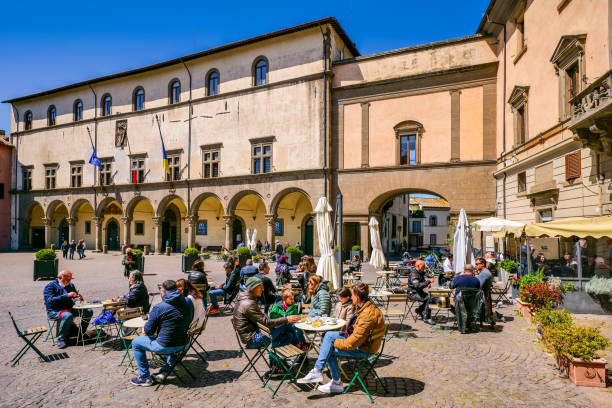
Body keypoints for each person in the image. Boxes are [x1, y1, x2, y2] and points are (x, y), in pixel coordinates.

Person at [297, 282, 385, 394]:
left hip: (364, 349)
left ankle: (335, 382)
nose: (351, 298)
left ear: (357, 297)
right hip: (362, 341)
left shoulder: (367, 315)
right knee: (328, 335)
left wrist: (333, 344)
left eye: (352, 295)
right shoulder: (366, 306)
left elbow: (351, 344)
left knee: (329, 350)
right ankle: (318, 371)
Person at [130, 280, 193, 386]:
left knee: (136, 342)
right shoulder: (188, 301)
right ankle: (165, 370)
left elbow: (148, 331)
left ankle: (145, 377)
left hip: (165, 345)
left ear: (163, 292)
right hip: (184, 343)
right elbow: (189, 319)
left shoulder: (159, 307)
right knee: (173, 337)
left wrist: (153, 319)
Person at [233, 277, 300, 351]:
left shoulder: (246, 299)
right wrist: (287, 319)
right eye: (260, 287)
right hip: (253, 340)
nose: (263, 289)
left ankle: (276, 361)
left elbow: (263, 319)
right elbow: (266, 323)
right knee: (287, 322)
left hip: (251, 336)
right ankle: (299, 344)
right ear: (253, 288)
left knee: (288, 335)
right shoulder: (248, 304)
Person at [43, 270, 93, 349]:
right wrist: (66, 295)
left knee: (88, 311)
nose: (69, 281)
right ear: (60, 277)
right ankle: (61, 339)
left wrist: (78, 297)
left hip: (69, 308)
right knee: (67, 315)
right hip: (55, 310)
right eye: (67, 279)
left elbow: (74, 297)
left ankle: (81, 333)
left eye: (70, 279)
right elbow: (50, 300)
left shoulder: (70, 285)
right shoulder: (50, 286)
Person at [408, 260, 435, 325]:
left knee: (433, 299)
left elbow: (422, 282)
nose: (425, 267)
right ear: (418, 266)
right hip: (413, 293)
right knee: (429, 298)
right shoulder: (414, 274)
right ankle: (427, 318)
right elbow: (417, 286)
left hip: (419, 292)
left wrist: (426, 283)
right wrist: (428, 281)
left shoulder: (420, 272)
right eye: (423, 266)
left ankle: (419, 310)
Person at [475, 257, 494, 325]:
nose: (475, 266)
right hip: (486, 295)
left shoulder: (484, 274)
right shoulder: (487, 272)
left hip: (481, 298)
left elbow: (478, 287)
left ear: (482, 264)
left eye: (477, 264)